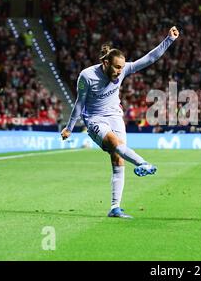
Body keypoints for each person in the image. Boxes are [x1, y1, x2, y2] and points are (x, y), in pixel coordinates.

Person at [61, 26, 180, 219]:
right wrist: (69, 127)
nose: (120, 71)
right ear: (106, 63)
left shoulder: (123, 70)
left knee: (118, 158)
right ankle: (143, 163)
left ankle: (115, 208)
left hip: (115, 116)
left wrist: (169, 40)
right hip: (94, 119)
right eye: (117, 67)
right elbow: (79, 103)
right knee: (115, 144)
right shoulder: (87, 76)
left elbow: (149, 59)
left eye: (122, 68)